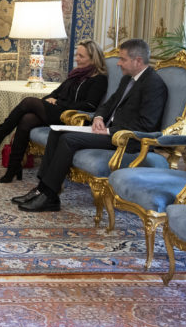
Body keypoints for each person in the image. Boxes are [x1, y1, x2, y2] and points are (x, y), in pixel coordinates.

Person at [13, 39, 167, 212]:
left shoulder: (153, 85)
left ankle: (49, 196)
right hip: (106, 130)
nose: (118, 63)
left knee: (68, 139)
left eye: (122, 59)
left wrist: (108, 130)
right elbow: (108, 105)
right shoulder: (127, 79)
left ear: (138, 60)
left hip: (127, 140)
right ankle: (43, 190)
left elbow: (146, 126)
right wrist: (99, 118)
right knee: (57, 132)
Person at [0, 39, 108, 183]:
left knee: (29, 101)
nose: (77, 59)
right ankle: (13, 168)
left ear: (93, 58)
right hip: (58, 110)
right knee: (26, 119)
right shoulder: (76, 75)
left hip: (71, 117)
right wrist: (49, 99)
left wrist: (59, 102)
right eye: (77, 55)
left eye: (81, 56)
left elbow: (90, 105)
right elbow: (56, 92)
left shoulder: (99, 79)